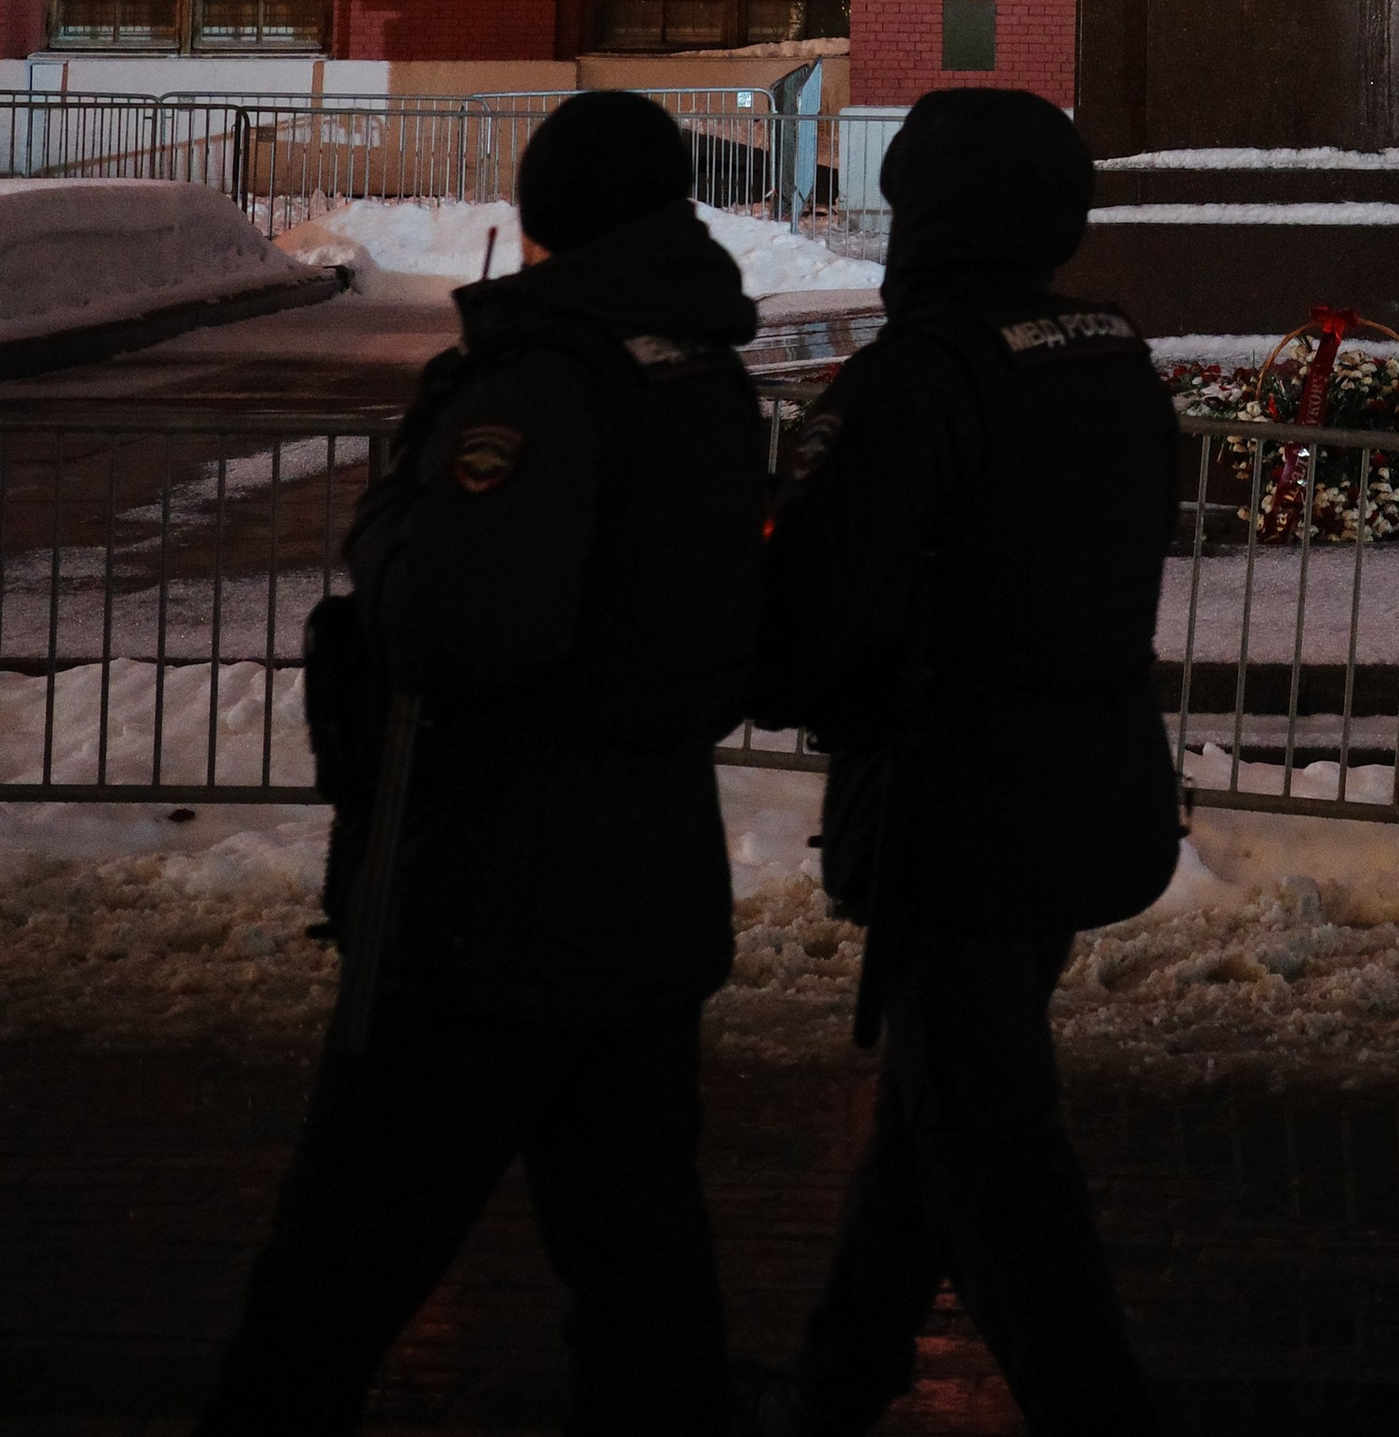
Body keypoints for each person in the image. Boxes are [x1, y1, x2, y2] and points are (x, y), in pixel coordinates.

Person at [194, 91, 769, 1437]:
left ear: (547, 213)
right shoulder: (698, 364)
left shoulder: (540, 379)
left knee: (344, 1255)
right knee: (639, 1261)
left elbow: (465, 626)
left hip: (497, 888)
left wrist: (389, 537)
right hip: (648, 873)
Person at [746, 86, 1181, 1437]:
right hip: (1082, 781)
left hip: (955, 807)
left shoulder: (919, 377)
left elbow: (817, 609)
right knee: (940, 1108)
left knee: (990, 1150)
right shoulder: (1108, 354)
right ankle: (838, 1381)